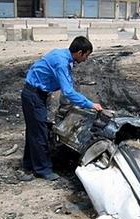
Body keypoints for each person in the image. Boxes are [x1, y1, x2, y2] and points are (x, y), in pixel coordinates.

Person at [20, 36, 103, 181]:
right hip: (34, 96)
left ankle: (29, 164)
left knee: (34, 131)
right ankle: (43, 169)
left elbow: (67, 84)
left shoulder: (63, 56)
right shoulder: (61, 62)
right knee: (40, 133)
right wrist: (90, 104)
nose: (86, 59)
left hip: (34, 94)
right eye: (87, 55)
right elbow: (68, 91)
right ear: (79, 52)